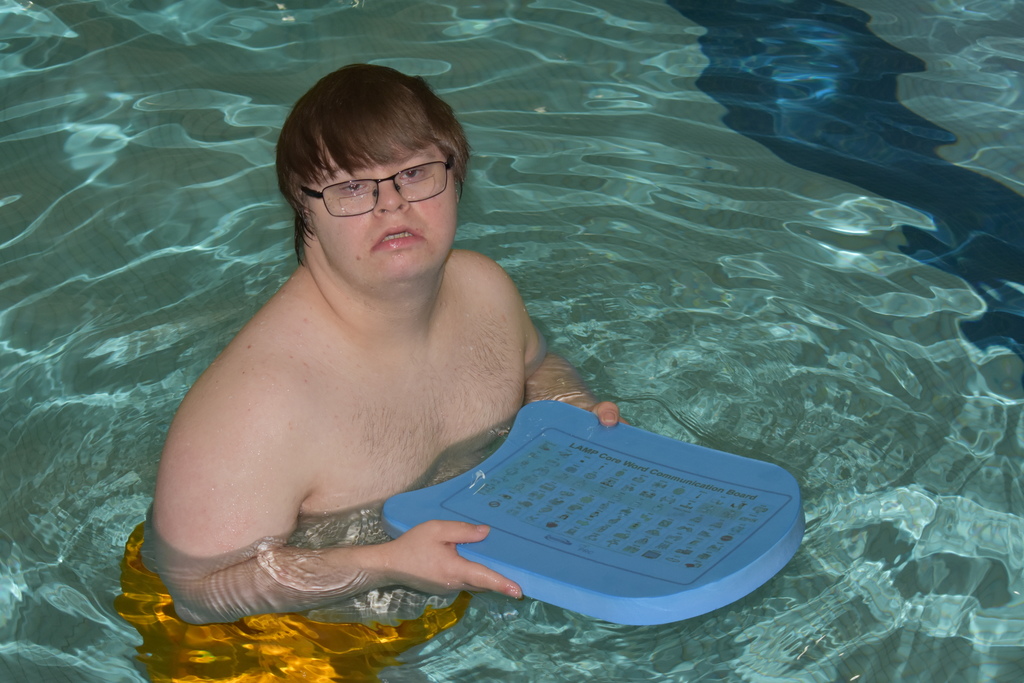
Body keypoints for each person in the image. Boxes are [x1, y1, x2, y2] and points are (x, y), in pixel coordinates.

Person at [147, 63, 621, 626]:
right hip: (265, 645)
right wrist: (384, 565)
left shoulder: (486, 292)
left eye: (416, 173)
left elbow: (538, 367)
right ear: (304, 207)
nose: (392, 204)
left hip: (429, 593)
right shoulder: (258, 405)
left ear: (456, 172)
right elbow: (197, 593)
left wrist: (574, 418)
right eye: (351, 186)